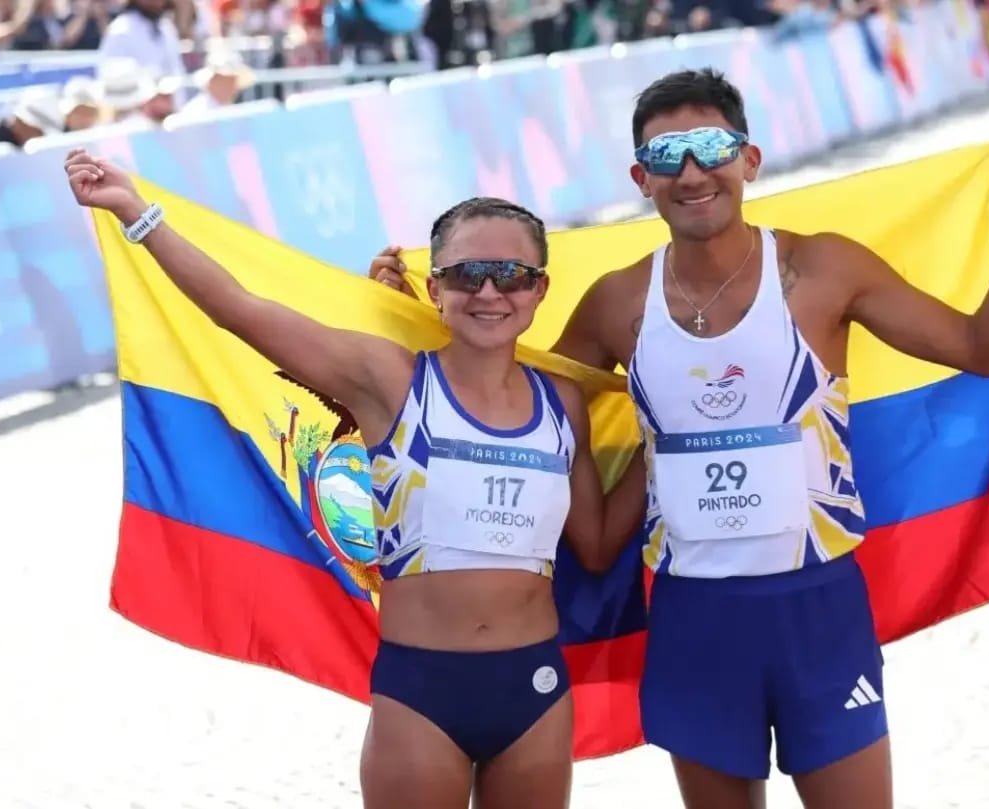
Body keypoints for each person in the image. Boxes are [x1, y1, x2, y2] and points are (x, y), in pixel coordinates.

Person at [370, 67, 989, 809]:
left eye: (712, 148)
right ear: (641, 179)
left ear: (748, 159)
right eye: (666, 156)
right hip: (693, 616)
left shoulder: (821, 268)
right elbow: (511, 396)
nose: (691, 172)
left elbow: (985, 349)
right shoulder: (618, 302)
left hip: (817, 606)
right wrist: (412, 323)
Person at [63, 149, 649, 809]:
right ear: (436, 289)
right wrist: (138, 214)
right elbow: (238, 309)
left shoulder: (563, 403)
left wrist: (665, 439)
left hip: (535, 688)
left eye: (511, 275)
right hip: (422, 694)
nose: (489, 292)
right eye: (466, 274)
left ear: (540, 289)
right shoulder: (387, 379)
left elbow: (597, 544)